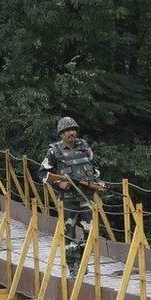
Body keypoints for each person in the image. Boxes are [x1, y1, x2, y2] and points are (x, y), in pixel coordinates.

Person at [38, 117, 105, 279]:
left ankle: (81, 257)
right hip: (68, 200)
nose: (72, 133)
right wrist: (59, 183)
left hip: (86, 197)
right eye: (67, 130)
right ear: (61, 134)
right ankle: (73, 267)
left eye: (74, 129)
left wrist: (98, 182)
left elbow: (95, 167)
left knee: (91, 232)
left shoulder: (84, 147)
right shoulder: (54, 151)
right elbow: (43, 173)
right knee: (69, 234)